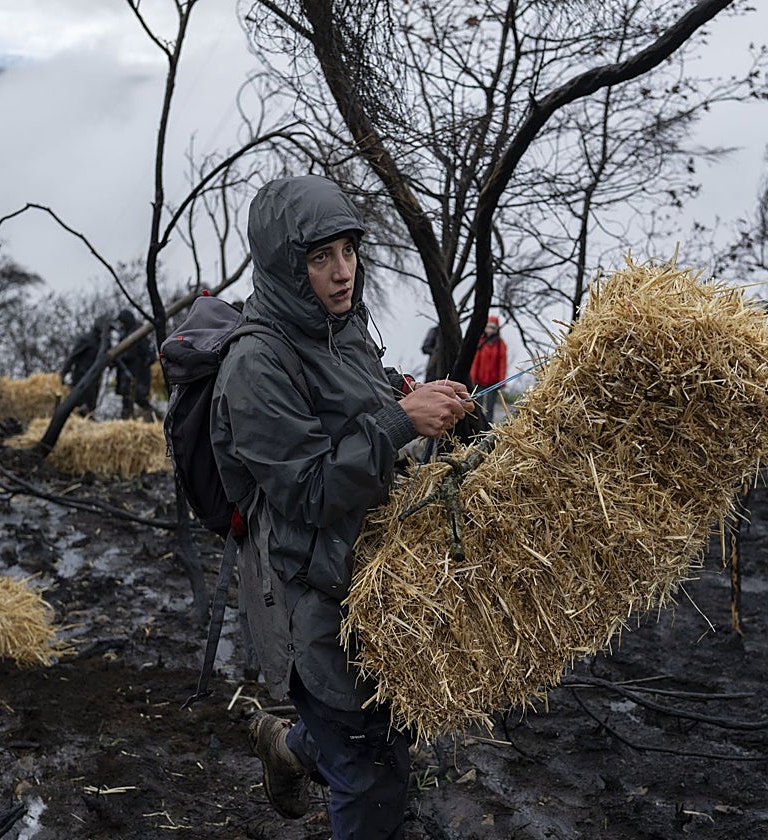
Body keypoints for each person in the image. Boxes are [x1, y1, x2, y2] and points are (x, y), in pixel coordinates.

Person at [211, 175, 473, 837]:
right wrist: (398, 423)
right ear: (284, 265)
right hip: (309, 586)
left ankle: (288, 746)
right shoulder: (256, 364)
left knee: (385, 726)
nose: (341, 271)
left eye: (349, 251)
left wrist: (416, 398)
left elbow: (367, 404)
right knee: (370, 762)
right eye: (319, 257)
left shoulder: (342, 328)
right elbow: (306, 490)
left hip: (372, 571)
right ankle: (311, 748)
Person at [59, 315, 111, 415]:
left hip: (95, 379)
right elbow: (73, 357)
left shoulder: (105, 342)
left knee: (91, 407)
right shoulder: (86, 339)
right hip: (81, 377)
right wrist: (63, 373)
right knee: (79, 406)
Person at [112, 309, 156, 421]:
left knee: (139, 398)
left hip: (137, 374)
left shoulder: (138, 333)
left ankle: (152, 418)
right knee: (126, 401)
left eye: (121, 322)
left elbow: (142, 354)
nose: (120, 325)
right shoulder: (124, 334)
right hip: (127, 375)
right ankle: (126, 422)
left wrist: (120, 356)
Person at [469, 314, 508, 423]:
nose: (490, 330)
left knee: (490, 407)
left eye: (492, 327)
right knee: (477, 405)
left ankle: (488, 426)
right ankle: (477, 425)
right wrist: (473, 378)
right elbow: (475, 362)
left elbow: (502, 363)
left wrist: (502, 381)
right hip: (479, 381)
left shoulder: (500, 344)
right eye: (488, 327)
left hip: (493, 382)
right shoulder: (480, 342)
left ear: (497, 329)